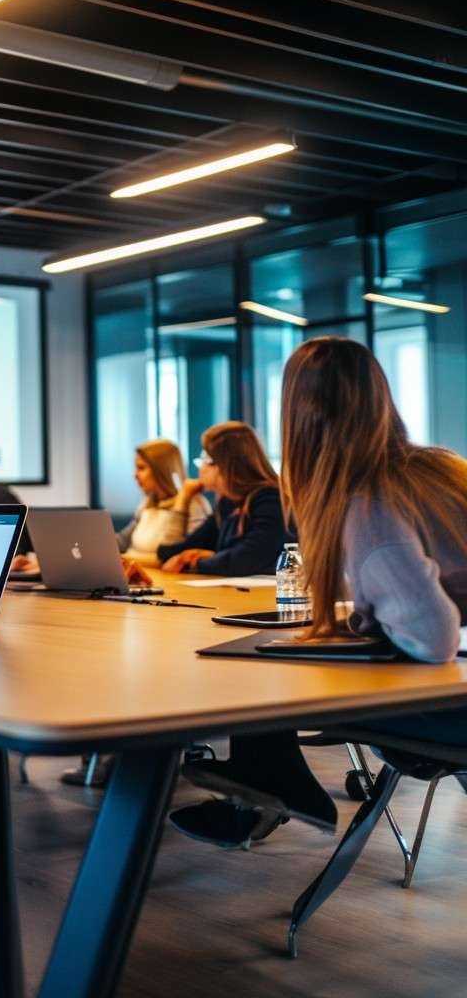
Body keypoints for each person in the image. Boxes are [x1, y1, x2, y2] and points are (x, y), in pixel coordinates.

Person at [170, 337, 467, 849]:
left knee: (263, 671)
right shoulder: (438, 469)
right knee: (284, 662)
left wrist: (372, 623)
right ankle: (270, 784)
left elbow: (433, 635)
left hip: (451, 709)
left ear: (300, 417)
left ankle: (273, 784)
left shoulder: (369, 499)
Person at [158, 421, 293, 576]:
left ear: (225, 465)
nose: (200, 468)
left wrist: (197, 561)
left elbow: (245, 560)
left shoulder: (270, 499)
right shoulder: (227, 502)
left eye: (205, 460)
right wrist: (183, 498)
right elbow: (170, 552)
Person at [116, 439, 212, 565]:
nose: (135, 475)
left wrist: (126, 559)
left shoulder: (194, 503)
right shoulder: (147, 503)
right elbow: (123, 541)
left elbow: (178, 556)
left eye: (141, 468)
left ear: (160, 470)